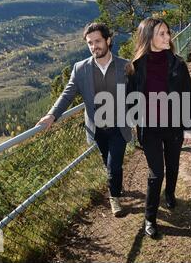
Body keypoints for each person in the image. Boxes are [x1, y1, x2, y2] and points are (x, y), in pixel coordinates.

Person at [36, 23, 132, 217]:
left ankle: (114, 197)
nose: (94, 46)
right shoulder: (80, 69)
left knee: (114, 164)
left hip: (119, 126)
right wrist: (52, 114)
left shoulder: (125, 66)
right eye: (90, 43)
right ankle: (116, 184)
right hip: (97, 128)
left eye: (97, 41)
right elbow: (67, 94)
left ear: (108, 40)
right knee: (108, 160)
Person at [126, 18, 191, 238]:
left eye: (168, 32)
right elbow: (129, 99)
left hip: (173, 126)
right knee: (157, 173)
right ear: (148, 38)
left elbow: (188, 95)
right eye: (161, 34)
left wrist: (190, 127)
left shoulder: (178, 63)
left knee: (173, 164)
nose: (168, 37)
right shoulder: (136, 67)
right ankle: (150, 218)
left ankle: (171, 194)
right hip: (150, 130)